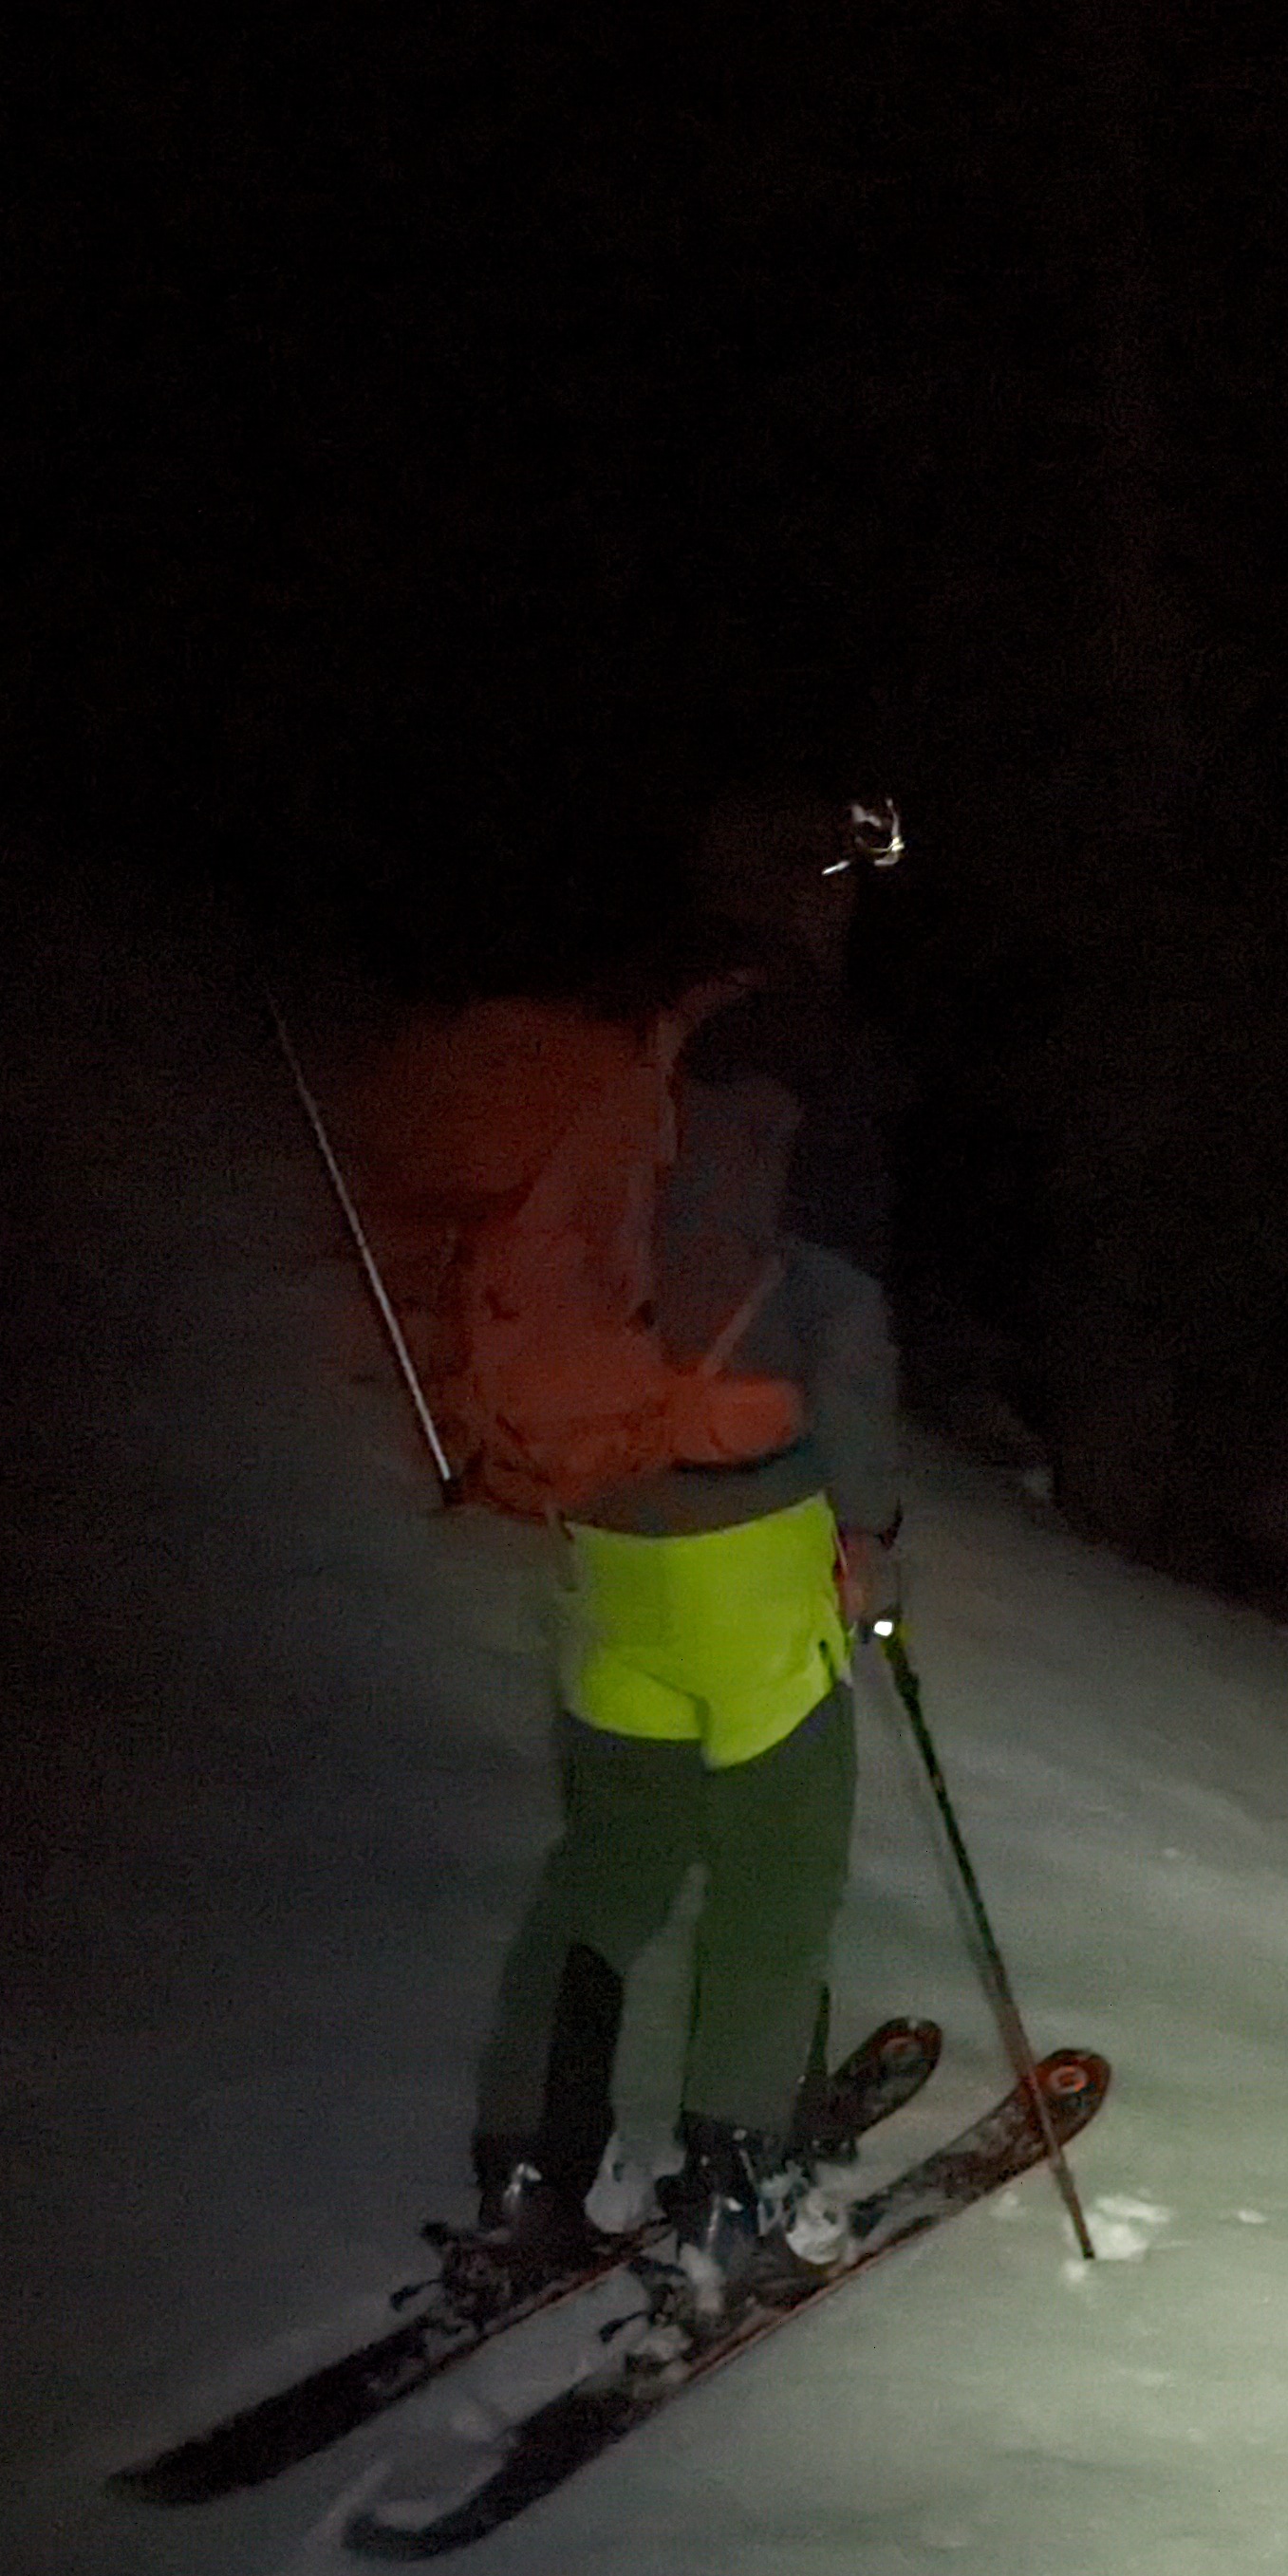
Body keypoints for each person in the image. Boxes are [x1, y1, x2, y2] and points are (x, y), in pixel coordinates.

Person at [454, 787, 908, 2322]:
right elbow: (840, 1319)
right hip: (744, 1529)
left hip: (602, 1516)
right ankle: (736, 2185)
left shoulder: (628, 1018)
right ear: (814, 894)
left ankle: (530, 2173)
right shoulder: (804, 1048)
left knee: (610, 1858)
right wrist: (871, 1527)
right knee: (778, 1869)